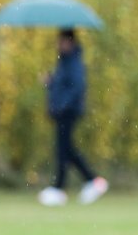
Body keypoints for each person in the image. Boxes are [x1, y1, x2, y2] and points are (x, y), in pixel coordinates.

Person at [39, 28, 108, 207]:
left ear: (70, 42)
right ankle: (92, 181)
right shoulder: (65, 61)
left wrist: (61, 106)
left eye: (61, 41)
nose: (59, 45)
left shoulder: (73, 62)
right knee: (67, 150)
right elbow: (62, 86)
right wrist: (50, 83)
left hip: (68, 112)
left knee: (63, 150)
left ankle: (60, 188)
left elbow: (77, 88)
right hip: (62, 111)